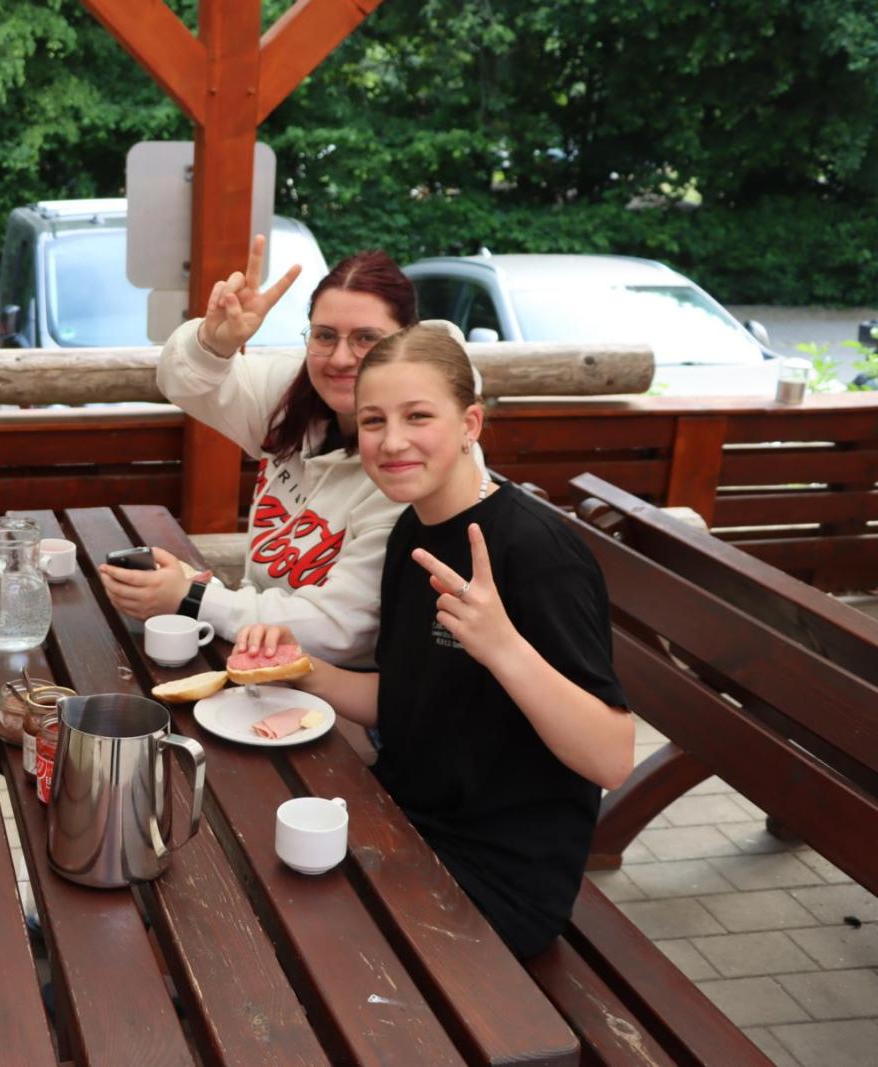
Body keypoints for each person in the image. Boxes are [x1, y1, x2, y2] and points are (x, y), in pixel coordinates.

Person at [235, 323, 634, 958]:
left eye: (417, 416)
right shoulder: (411, 530)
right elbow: (405, 699)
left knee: (274, 938)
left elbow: (611, 757)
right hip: (401, 821)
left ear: (470, 423)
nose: (392, 441)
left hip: (495, 877)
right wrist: (298, 668)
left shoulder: (536, 553)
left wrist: (503, 647)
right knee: (235, 851)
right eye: (373, 421)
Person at [100, 238, 425, 667]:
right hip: (255, 655)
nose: (341, 358)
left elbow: (342, 630)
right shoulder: (294, 393)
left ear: (408, 341)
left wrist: (194, 598)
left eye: (367, 338)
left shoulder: (412, 459)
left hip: (339, 686)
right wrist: (212, 343)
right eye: (325, 336)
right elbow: (182, 382)